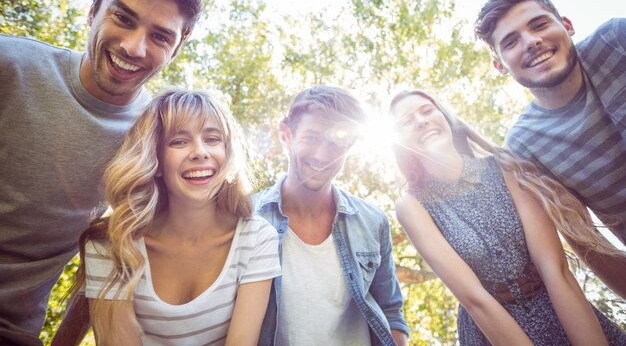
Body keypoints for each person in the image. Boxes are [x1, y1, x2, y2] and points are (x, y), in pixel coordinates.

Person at [0, 0, 202, 346]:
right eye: (123, 18)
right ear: (93, 11)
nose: (134, 47)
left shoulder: (153, 137)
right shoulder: (11, 67)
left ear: (178, 46)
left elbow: (115, 256)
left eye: (160, 36)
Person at [389, 89, 626, 346]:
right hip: (493, 331)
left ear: (444, 116)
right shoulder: (412, 206)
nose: (421, 121)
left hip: (560, 308)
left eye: (427, 110)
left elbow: (554, 268)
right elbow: (475, 301)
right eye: (406, 122)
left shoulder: (504, 168)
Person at [69, 89, 280, 346]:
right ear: (154, 159)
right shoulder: (111, 245)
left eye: (212, 139)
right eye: (179, 141)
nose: (200, 152)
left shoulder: (256, 238)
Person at [474, 0, 626, 298]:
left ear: (567, 26)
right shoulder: (523, 146)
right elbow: (585, 239)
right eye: (511, 42)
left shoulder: (615, 41)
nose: (531, 41)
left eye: (539, 24)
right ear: (500, 65)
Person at [255, 85, 410, 346]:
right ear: (287, 135)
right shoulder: (247, 217)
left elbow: (391, 313)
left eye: (336, 143)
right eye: (311, 138)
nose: (322, 155)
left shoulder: (372, 222)